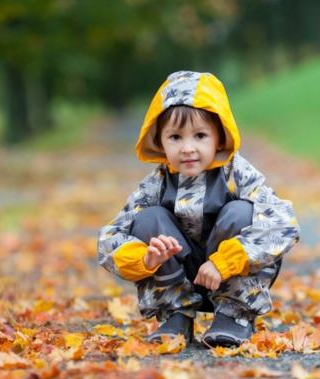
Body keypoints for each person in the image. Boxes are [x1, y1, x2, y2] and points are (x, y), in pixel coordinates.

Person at [97, 71, 300, 347]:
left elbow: (284, 223)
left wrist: (226, 260)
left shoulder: (234, 173)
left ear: (219, 137)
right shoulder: (157, 183)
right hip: (181, 277)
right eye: (176, 137)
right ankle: (175, 315)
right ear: (160, 141)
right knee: (147, 219)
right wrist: (145, 259)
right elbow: (110, 238)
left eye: (200, 135)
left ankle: (233, 315)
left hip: (229, 272)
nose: (188, 148)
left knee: (241, 212)